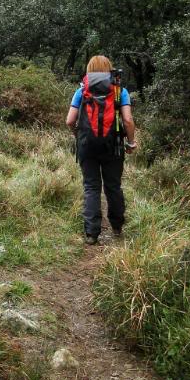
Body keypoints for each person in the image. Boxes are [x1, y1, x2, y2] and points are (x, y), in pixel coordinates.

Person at [65, 55, 136, 245]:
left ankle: (91, 233)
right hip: (113, 147)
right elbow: (128, 120)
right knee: (113, 186)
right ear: (109, 69)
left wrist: (78, 135)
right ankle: (117, 227)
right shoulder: (120, 91)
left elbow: (70, 120)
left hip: (87, 145)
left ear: (89, 70)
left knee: (91, 186)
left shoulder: (82, 91)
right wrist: (131, 142)